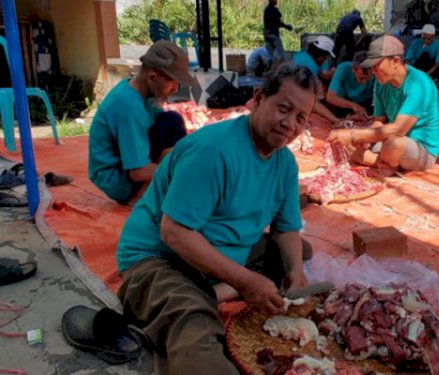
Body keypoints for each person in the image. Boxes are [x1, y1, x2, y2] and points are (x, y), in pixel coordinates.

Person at [116, 64, 317, 375]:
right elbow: (174, 233)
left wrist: (295, 273)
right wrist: (245, 280)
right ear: (259, 97)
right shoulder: (212, 151)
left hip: (217, 253)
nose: (290, 124)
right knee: (192, 326)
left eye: (301, 118)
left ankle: (214, 290)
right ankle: (199, 298)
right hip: (162, 257)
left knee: (297, 252)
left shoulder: (285, 163)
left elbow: (286, 227)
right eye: (284, 109)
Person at [88, 41, 197, 204]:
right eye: (172, 84)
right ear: (153, 78)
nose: (175, 90)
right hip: (117, 179)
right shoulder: (129, 107)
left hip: (124, 165)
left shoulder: (138, 91)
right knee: (186, 171)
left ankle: (158, 186)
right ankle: (140, 195)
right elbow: (137, 172)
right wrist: (182, 173)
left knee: (172, 121)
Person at [327, 35, 439, 174]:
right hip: (391, 140)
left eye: (376, 65)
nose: (373, 71)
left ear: (395, 61)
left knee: (393, 144)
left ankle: (382, 162)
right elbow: (379, 122)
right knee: (348, 146)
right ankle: (384, 164)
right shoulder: (381, 83)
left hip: (421, 149)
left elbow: (398, 129)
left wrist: (354, 135)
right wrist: (363, 140)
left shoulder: (419, 83)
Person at [292, 36, 341, 123]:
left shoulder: (302, 55)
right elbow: (312, 102)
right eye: (325, 57)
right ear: (320, 55)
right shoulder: (309, 68)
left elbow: (321, 73)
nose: (325, 60)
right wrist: (335, 119)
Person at [326, 51, 376, 116]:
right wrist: (353, 105)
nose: (364, 82)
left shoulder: (376, 73)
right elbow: (330, 97)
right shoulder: (343, 68)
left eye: (368, 78)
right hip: (344, 103)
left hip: (366, 103)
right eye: (361, 78)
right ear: (353, 69)